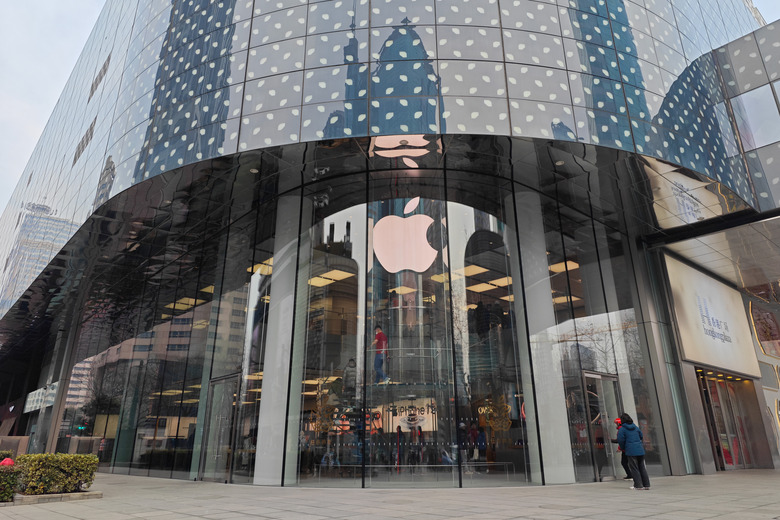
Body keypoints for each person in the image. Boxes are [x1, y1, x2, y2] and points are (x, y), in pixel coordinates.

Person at [616, 413, 650, 490]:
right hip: (640, 449)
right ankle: (646, 484)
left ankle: (638, 485)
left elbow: (620, 440)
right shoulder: (635, 427)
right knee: (642, 467)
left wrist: (623, 447)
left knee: (634, 468)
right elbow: (641, 436)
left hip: (631, 450)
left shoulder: (622, 429)